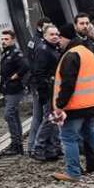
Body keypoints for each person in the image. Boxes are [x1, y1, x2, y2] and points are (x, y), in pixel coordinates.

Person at [51, 23, 94, 182]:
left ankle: (73, 173)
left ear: (65, 38)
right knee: (91, 133)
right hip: (93, 103)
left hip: (75, 106)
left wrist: (60, 105)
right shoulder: (87, 52)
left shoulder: (71, 55)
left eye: (60, 38)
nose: (58, 41)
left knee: (68, 137)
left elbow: (68, 83)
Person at [30, 25, 62, 160]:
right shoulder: (43, 50)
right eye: (51, 34)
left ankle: (51, 149)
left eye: (56, 34)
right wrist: (43, 92)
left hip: (53, 88)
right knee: (50, 118)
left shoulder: (52, 48)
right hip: (48, 89)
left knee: (54, 119)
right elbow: (39, 72)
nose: (55, 36)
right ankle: (38, 147)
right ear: (44, 36)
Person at [0, 30, 29, 155]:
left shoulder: (16, 53)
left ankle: (15, 143)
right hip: (8, 89)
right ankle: (18, 145)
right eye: (3, 39)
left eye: (6, 39)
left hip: (15, 89)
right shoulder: (6, 53)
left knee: (8, 114)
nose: (4, 41)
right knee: (14, 115)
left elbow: (25, 66)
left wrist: (15, 76)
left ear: (12, 40)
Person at [26, 18, 53, 155]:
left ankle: (35, 145)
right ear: (40, 27)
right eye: (47, 26)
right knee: (40, 116)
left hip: (35, 81)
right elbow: (37, 66)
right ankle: (34, 146)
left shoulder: (33, 41)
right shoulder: (40, 44)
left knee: (41, 116)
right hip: (39, 82)